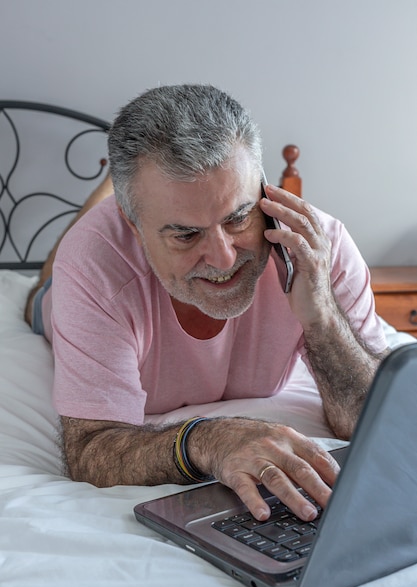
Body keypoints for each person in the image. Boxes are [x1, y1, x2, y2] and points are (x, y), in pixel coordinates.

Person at [25, 84, 389, 524]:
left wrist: (322, 317)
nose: (224, 258)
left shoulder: (319, 247)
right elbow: (91, 450)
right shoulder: (91, 263)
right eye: (185, 234)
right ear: (132, 223)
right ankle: (95, 208)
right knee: (43, 284)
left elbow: (372, 421)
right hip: (61, 289)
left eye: (238, 217)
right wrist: (208, 441)